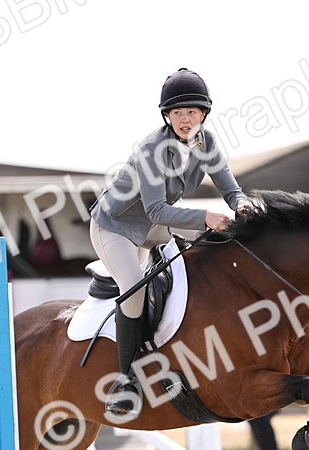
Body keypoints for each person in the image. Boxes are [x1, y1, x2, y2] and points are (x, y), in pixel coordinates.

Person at [89, 67, 255, 419]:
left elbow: (231, 190)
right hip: (115, 227)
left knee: (207, 255)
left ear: (204, 114)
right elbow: (156, 209)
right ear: (167, 116)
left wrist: (241, 205)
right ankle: (126, 381)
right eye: (177, 112)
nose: (184, 119)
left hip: (153, 224)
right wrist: (206, 217)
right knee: (134, 289)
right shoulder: (152, 150)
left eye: (192, 111)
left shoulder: (207, 143)